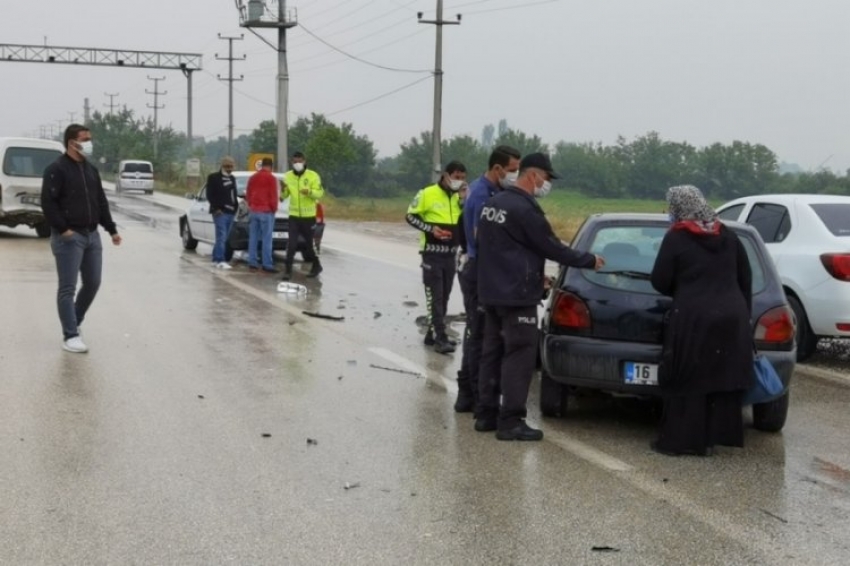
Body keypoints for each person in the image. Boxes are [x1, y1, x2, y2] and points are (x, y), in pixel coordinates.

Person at [476, 153, 604, 441]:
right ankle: (510, 421)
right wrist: (589, 260)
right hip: (516, 296)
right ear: (534, 176)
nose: (546, 184)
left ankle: (485, 414)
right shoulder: (524, 209)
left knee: (492, 351)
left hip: (491, 292)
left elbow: (497, 247)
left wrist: (532, 274)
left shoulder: (493, 204)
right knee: (519, 355)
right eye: (546, 178)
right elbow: (551, 247)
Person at [649, 185, 753, 456]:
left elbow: (660, 280)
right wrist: (744, 317)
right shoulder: (728, 235)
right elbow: (746, 278)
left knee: (688, 376)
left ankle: (683, 441)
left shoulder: (676, 238)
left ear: (677, 207)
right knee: (719, 375)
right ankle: (715, 437)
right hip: (732, 317)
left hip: (694, 316)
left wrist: (683, 288)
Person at [40, 123, 122, 353]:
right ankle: (70, 335)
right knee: (68, 288)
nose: (89, 143)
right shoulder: (57, 169)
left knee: (93, 282)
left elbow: (101, 202)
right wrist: (63, 229)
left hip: (91, 235)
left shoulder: (90, 170)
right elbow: (48, 203)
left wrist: (111, 229)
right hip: (69, 237)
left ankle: (74, 320)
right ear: (71, 142)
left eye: (89, 138)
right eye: (84, 139)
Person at [454, 145, 521, 413]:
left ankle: (473, 394)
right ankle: (469, 394)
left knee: (481, 333)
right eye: (513, 170)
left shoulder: (495, 191)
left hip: (483, 269)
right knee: (478, 333)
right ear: (497, 169)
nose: (516, 175)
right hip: (478, 270)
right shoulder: (482, 194)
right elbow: (484, 239)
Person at [406, 161, 467, 354]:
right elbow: (410, 216)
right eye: (456, 177)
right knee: (436, 298)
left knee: (445, 297)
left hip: (451, 256)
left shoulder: (460, 197)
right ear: (445, 175)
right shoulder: (427, 193)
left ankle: (431, 335)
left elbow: (465, 221)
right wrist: (431, 229)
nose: (460, 181)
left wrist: (465, 202)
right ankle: (440, 338)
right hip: (431, 254)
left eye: (463, 178)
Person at [281, 151, 324, 280]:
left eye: (300, 161)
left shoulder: (312, 176)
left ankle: (316, 265)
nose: (297, 164)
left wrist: (309, 192)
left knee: (309, 246)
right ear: (291, 162)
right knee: (292, 244)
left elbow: (319, 193)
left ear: (305, 161)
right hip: (294, 216)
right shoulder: (287, 176)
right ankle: (287, 270)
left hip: (308, 216)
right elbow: (284, 197)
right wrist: (283, 190)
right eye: (295, 162)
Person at [245, 157, 279, 273]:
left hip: (254, 210)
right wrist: (274, 209)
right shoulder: (271, 178)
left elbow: (248, 194)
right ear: (271, 166)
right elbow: (273, 196)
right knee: (267, 239)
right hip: (266, 211)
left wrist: (251, 204)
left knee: (253, 238)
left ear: (262, 165)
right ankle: (267, 264)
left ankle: (252, 262)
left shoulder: (253, 178)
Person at [206, 156, 238, 269]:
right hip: (220, 212)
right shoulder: (213, 177)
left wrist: (235, 208)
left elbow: (234, 194)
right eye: (227, 166)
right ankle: (220, 260)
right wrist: (216, 208)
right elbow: (210, 195)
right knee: (222, 236)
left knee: (223, 237)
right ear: (222, 165)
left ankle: (215, 258)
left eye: (231, 166)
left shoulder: (233, 178)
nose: (229, 168)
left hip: (231, 212)